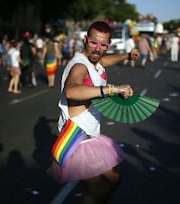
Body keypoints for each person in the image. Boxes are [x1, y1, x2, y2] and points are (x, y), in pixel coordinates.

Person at [46, 21, 140, 203]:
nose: (98, 49)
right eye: (93, 43)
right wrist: (112, 89)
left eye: (104, 44)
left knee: (113, 178)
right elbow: (71, 90)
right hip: (77, 138)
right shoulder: (79, 66)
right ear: (85, 39)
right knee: (97, 189)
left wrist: (126, 55)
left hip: (90, 133)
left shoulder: (94, 60)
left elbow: (104, 60)